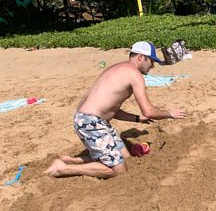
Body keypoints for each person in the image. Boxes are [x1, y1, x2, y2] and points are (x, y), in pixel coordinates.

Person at [45, 41, 186, 178]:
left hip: (90, 119)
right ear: (140, 57)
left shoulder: (116, 68)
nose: (152, 66)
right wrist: (170, 114)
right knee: (119, 170)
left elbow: (111, 110)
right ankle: (62, 169)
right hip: (91, 122)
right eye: (151, 61)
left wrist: (137, 119)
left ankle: (72, 160)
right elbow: (148, 111)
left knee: (125, 156)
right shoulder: (134, 75)